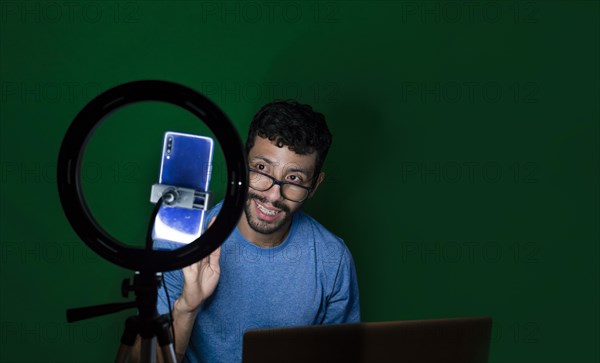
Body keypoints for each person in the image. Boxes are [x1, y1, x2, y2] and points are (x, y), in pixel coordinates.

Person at [143, 100, 360, 363]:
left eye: (294, 179)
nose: (272, 194)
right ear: (242, 165)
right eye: (261, 169)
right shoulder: (182, 241)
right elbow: (147, 361)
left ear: (314, 185)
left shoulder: (332, 259)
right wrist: (187, 307)